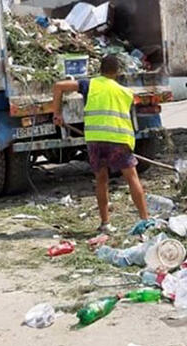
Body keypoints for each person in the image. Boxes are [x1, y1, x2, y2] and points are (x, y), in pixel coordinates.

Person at [52, 54, 150, 232]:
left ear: (100, 70)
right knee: (132, 178)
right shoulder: (126, 93)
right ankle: (145, 220)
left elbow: (59, 86)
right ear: (117, 72)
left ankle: (105, 223)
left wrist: (57, 113)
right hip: (119, 140)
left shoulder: (90, 84)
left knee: (101, 180)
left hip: (96, 140)